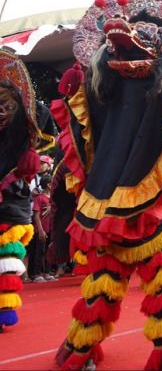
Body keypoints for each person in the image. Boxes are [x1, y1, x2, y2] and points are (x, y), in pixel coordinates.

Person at [52, 0, 162, 370]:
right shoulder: (98, 89)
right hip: (109, 202)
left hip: (147, 205)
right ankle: (83, 351)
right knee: (106, 285)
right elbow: (78, 115)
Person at [0, 50, 43, 332]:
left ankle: (3, 311)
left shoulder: (24, 139)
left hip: (11, 205)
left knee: (6, 259)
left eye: (6, 107)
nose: (1, 114)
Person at [27, 175, 55, 282]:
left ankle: (47, 272)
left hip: (51, 228)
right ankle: (36, 274)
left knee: (49, 250)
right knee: (40, 251)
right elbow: (36, 215)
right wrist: (41, 230)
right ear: (48, 185)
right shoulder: (39, 198)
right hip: (41, 229)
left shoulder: (53, 198)